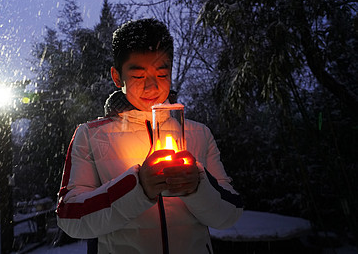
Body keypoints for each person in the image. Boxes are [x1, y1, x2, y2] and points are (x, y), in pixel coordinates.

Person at [56, 18, 243, 253]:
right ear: (117, 77)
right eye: (138, 76)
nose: (152, 86)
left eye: (162, 74)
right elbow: (70, 217)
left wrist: (198, 186)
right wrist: (138, 186)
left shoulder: (198, 134)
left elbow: (230, 214)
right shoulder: (91, 137)